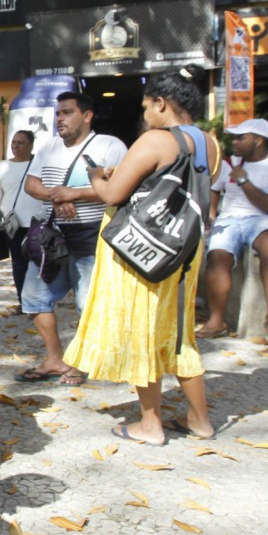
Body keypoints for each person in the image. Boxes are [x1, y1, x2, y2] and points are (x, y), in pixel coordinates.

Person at [63, 66, 221, 444]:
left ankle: (150, 425)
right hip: (182, 249)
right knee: (179, 333)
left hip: (142, 252)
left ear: (162, 103)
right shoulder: (210, 142)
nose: (145, 113)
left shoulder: (154, 140)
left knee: (144, 330)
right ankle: (200, 420)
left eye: (147, 105)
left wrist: (97, 176)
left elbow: (113, 194)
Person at [16, 92, 128, 386]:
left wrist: (75, 193)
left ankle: (81, 361)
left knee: (87, 304)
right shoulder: (49, 146)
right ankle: (55, 358)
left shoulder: (109, 146)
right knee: (33, 297)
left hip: (93, 234)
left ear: (87, 116)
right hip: (52, 235)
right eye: (58, 113)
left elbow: (121, 186)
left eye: (66, 112)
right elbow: (31, 183)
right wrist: (56, 197)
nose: (59, 119)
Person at [196, 118, 268, 348]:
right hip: (231, 218)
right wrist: (211, 215)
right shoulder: (228, 164)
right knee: (217, 253)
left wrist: (243, 181)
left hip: (267, 219)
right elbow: (214, 189)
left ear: (258, 141)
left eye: (241, 138)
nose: (234, 142)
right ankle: (216, 320)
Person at [0, 130, 42, 311]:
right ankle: (24, 302)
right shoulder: (3, 167)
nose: (15, 146)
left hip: (38, 223)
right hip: (13, 225)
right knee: (18, 263)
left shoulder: (40, 165)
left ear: (31, 144)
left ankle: (40, 300)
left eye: (20, 143)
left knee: (39, 261)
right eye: (13, 143)